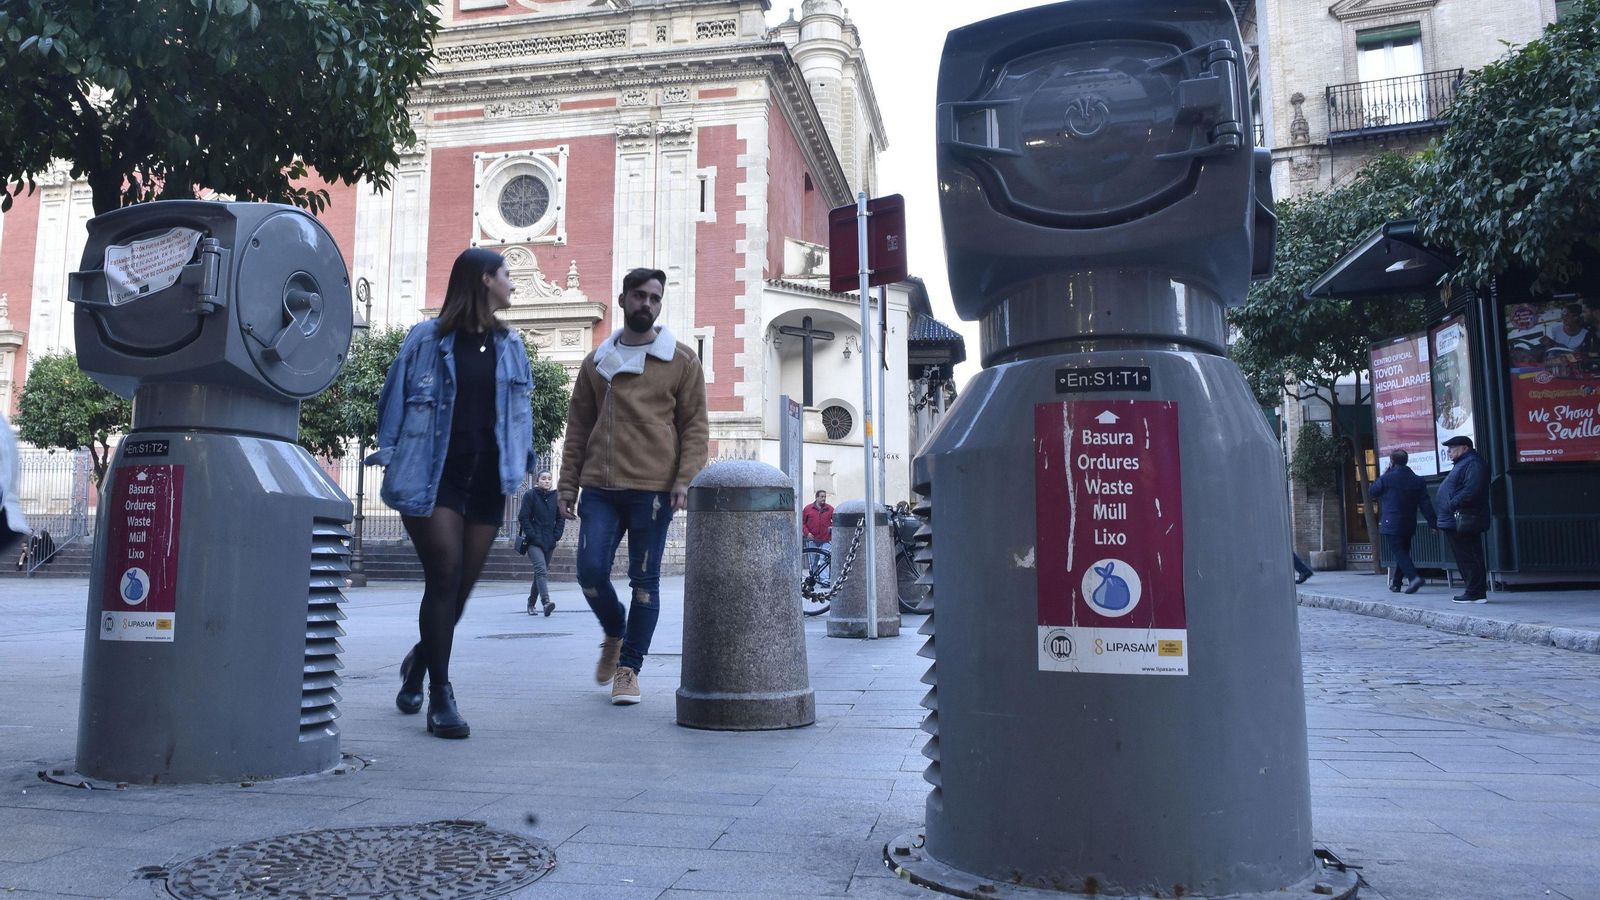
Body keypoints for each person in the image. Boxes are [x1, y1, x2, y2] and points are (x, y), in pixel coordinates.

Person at [368, 248, 538, 739]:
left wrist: (520, 465)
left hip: (487, 479)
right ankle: (441, 695)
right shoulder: (427, 338)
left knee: (459, 590)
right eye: (507, 275)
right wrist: (391, 453)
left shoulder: (511, 345)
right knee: (443, 575)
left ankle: (420, 660)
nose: (512, 284)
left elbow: (519, 416)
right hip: (432, 472)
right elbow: (393, 398)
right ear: (484, 280)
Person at [558, 267, 709, 705]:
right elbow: (578, 428)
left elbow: (696, 428)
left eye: (654, 298)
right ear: (622, 300)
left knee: (646, 581)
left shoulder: (682, 360)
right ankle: (614, 630)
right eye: (639, 296)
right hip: (600, 489)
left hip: (653, 490)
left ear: (660, 305)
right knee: (588, 573)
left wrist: (685, 479)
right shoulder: (595, 362)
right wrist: (567, 486)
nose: (646, 304)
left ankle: (629, 669)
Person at [1368, 449, 1437, 594]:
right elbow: (1426, 504)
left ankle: (1413, 578)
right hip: (1409, 522)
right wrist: (1432, 523)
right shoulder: (1417, 480)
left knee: (1399, 552)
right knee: (1403, 551)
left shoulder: (1387, 478)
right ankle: (1396, 583)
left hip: (1391, 521)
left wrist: (1386, 472)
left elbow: (1372, 491)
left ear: (1392, 461)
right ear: (1406, 461)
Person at [1435, 435, 1490, 604]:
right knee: (1464, 555)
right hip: (1455, 519)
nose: (1449, 452)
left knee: (1469, 555)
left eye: (1452, 448)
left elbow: (1472, 489)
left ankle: (1475, 591)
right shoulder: (1463, 463)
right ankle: (1473, 589)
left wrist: (1453, 504)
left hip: (1463, 518)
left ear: (1465, 448)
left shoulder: (1473, 463)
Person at [517, 471, 564, 616]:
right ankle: (546, 602)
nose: (547, 481)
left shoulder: (556, 497)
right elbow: (523, 517)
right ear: (537, 481)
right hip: (533, 542)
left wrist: (556, 535)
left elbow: (561, 517)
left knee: (540, 573)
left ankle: (531, 603)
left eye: (549, 479)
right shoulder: (530, 495)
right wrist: (532, 534)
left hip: (549, 541)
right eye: (543, 479)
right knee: (541, 570)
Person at [802, 489, 834, 586]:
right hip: (812, 539)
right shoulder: (808, 509)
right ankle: (814, 580)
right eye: (822, 496)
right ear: (816, 497)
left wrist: (832, 528)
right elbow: (803, 523)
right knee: (813, 561)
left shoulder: (830, 509)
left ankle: (824, 581)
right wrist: (807, 533)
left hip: (826, 539)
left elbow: (835, 522)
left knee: (824, 559)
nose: (824, 498)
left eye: (825, 496)